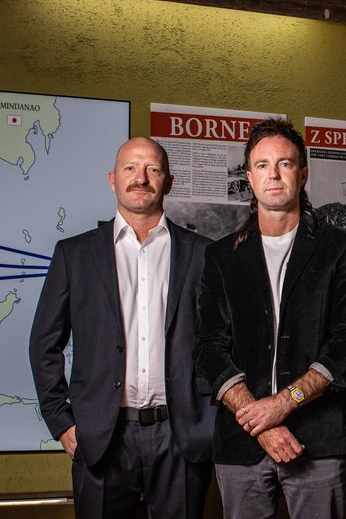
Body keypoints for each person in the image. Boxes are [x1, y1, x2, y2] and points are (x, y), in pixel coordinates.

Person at [193, 119, 346, 519]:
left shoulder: (339, 250)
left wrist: (284, 403)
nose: (273, 174)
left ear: (303, 173)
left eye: (285, 164)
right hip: (241, 442)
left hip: (319, 439)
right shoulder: (221, 257)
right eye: (261, 165)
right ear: (250, 178)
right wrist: (262, 420)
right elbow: (208, 347)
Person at [29, 137, 214, 518]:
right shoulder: (74, 255)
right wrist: (61, 422)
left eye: (152, 169)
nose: (140, 178)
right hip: (101, 436)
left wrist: (211, 420)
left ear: (169, 181)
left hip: (181, 436)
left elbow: (222, 342)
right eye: (130, 168)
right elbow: (44, 344)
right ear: (112, 180)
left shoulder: (204, 253)